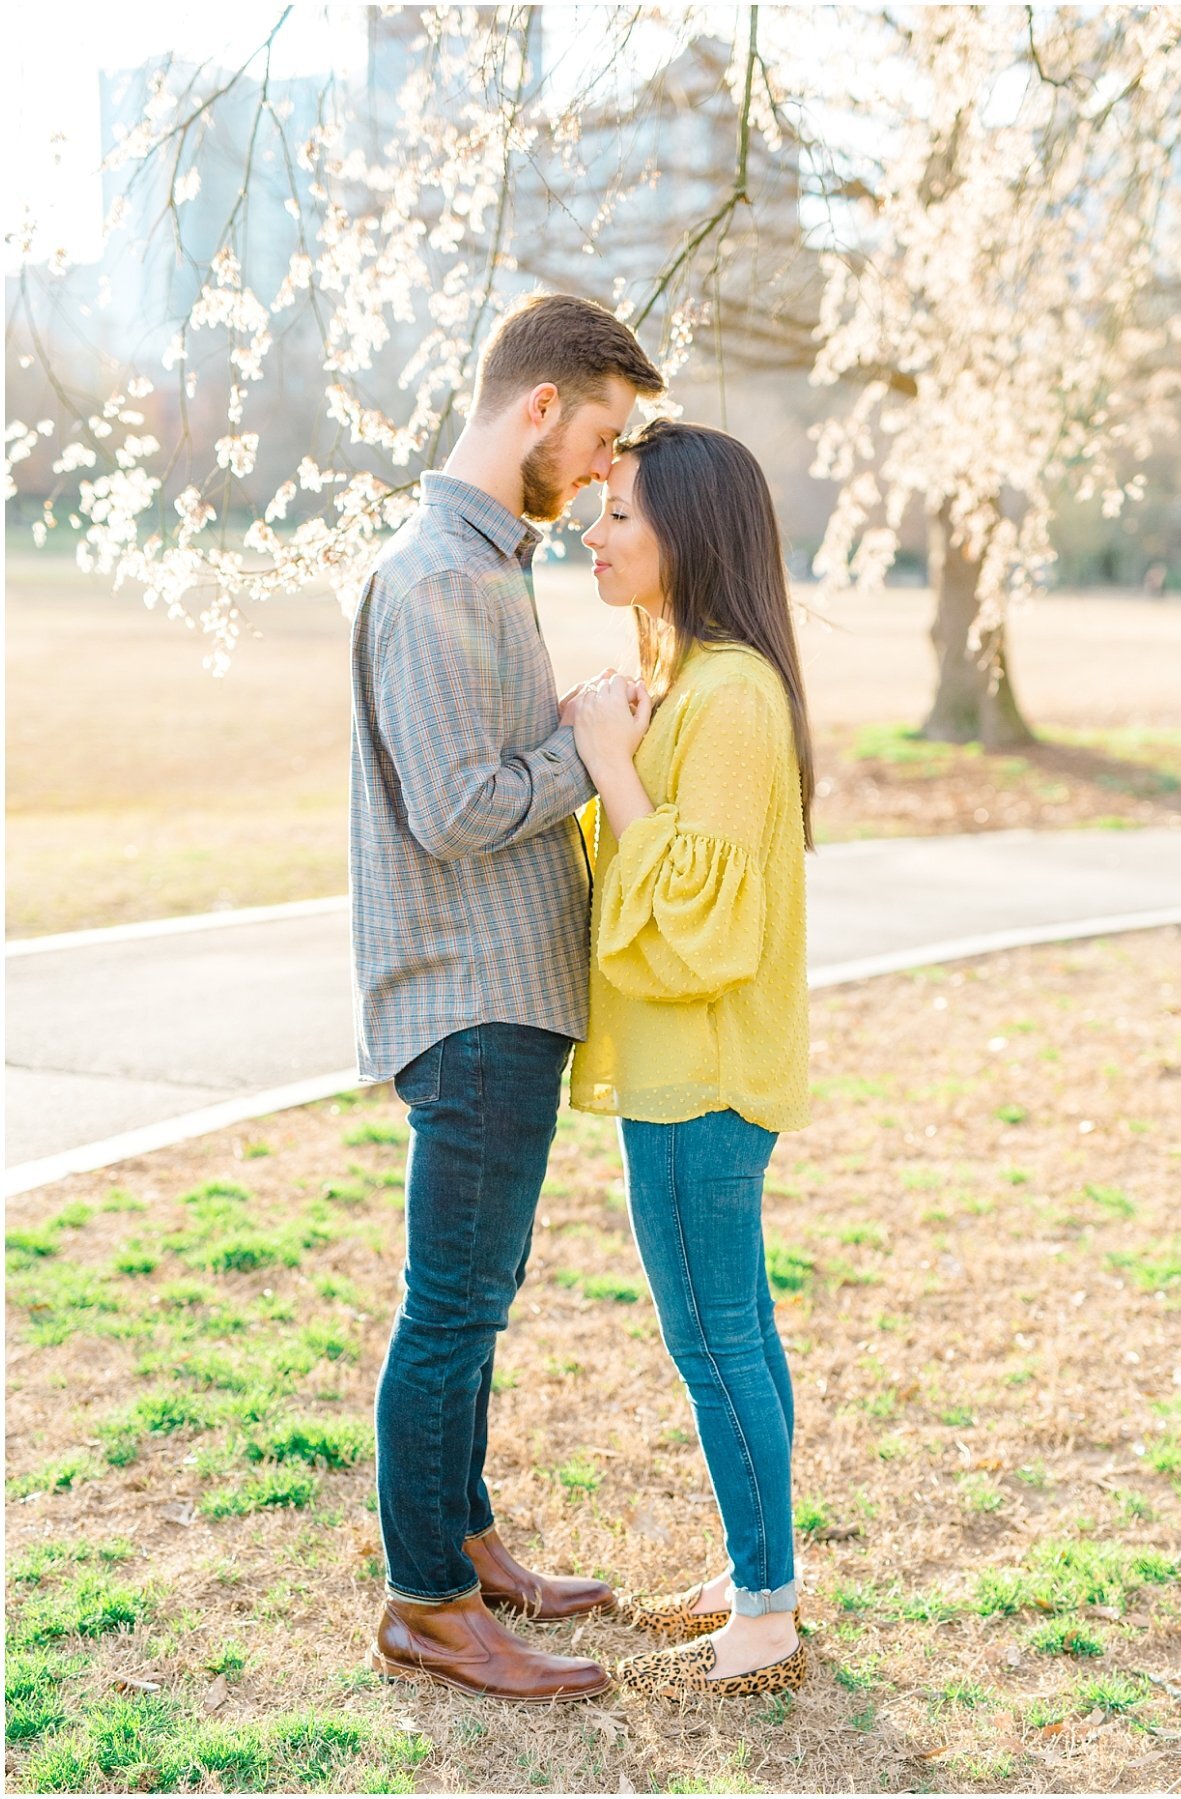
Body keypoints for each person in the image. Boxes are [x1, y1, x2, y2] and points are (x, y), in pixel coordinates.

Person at [350, 291, 664, 1702]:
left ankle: (467, 1540)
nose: (606, 472)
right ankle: (426, 1605)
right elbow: (456, 807)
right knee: (449, 1307)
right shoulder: (435, 579)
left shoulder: (491, 568)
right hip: (470, 1003)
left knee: (483, 1293)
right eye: (601, 439)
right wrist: (587, 750)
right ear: (541, 407)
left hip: (511, 999)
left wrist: (570, 727)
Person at [569, 418, 814, 1700]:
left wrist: (612, 761)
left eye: (619, 514)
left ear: (689, 535)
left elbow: (704, 919)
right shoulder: (708, 679)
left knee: (714, 1339)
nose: (593, 534)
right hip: (695, 1067)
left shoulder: (730, 696)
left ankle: (767, 1611)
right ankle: (753, 1567)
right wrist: (633, 731)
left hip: (699, 1072)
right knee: (739, 1332)